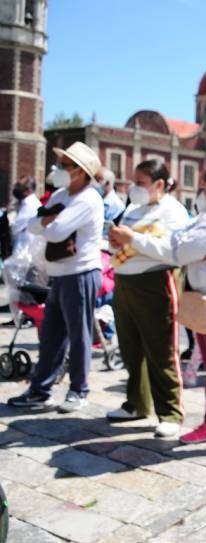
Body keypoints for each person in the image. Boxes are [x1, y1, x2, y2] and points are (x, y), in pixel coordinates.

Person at [109, 163, 206, 460]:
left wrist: (135, 240)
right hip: (205, 301)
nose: (202, 193)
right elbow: (177, 241)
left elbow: (178, 251)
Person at [7, 141, 104, 413]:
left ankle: (78, 390)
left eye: (67, 165)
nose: (61, 169)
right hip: (59, 274)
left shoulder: (88, 198)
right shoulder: (62, 194)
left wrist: (49, 221)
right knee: (51, 336)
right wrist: (49, 221)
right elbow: (35, 225)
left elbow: (53, 230)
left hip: (81, 273)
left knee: (79, 334)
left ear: (81, 172)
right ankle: (41, 389)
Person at [105, 159, 188, 437]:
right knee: (130, 348)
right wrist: (115, 240)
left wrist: (132, 239)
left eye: (140, 183)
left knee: (161, 349)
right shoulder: (132, 208)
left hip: (156, 283)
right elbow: (122, 240)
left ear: (159, 184)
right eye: (134, 182)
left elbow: (171, 250)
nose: (134, 188)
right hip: (125, 281)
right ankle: (136, 403)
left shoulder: (174, 211)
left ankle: (170, 413)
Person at [10, 176, 41, 251]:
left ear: (29, 190)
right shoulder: (25, 202)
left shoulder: (30, 204)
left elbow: (15, 227)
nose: (17, 189)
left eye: (20, 186)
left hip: (25, 250)